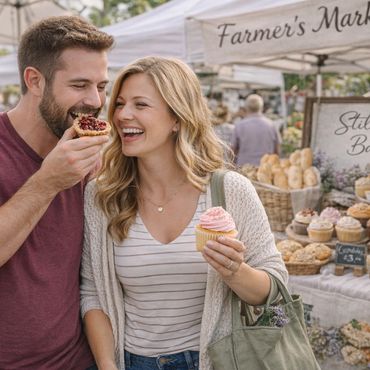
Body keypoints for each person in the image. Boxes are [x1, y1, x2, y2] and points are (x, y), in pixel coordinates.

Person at [80, 56, 288, 370]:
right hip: (130, 362)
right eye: (120, 103)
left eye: (141, 104)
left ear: (177, 118)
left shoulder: (231, 191)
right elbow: (93, 291)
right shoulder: (102, 196)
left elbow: (275, 288)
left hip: (212, 361)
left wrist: (235, 271)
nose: (123, 115)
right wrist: (108, 364)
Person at [0, 16, 113, 369]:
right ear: (34, 80)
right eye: (80, 85)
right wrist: (48, 181)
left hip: (79, 360)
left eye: (101, 85)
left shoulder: (90, 153)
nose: (94, 100)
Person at [231, 94, 281, 166]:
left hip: (244, 168)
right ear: (262, 107)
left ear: (246, 108)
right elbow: (277, 151)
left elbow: (233, 150)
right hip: (265, 168)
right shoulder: (271, 125)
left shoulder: (239, 126)